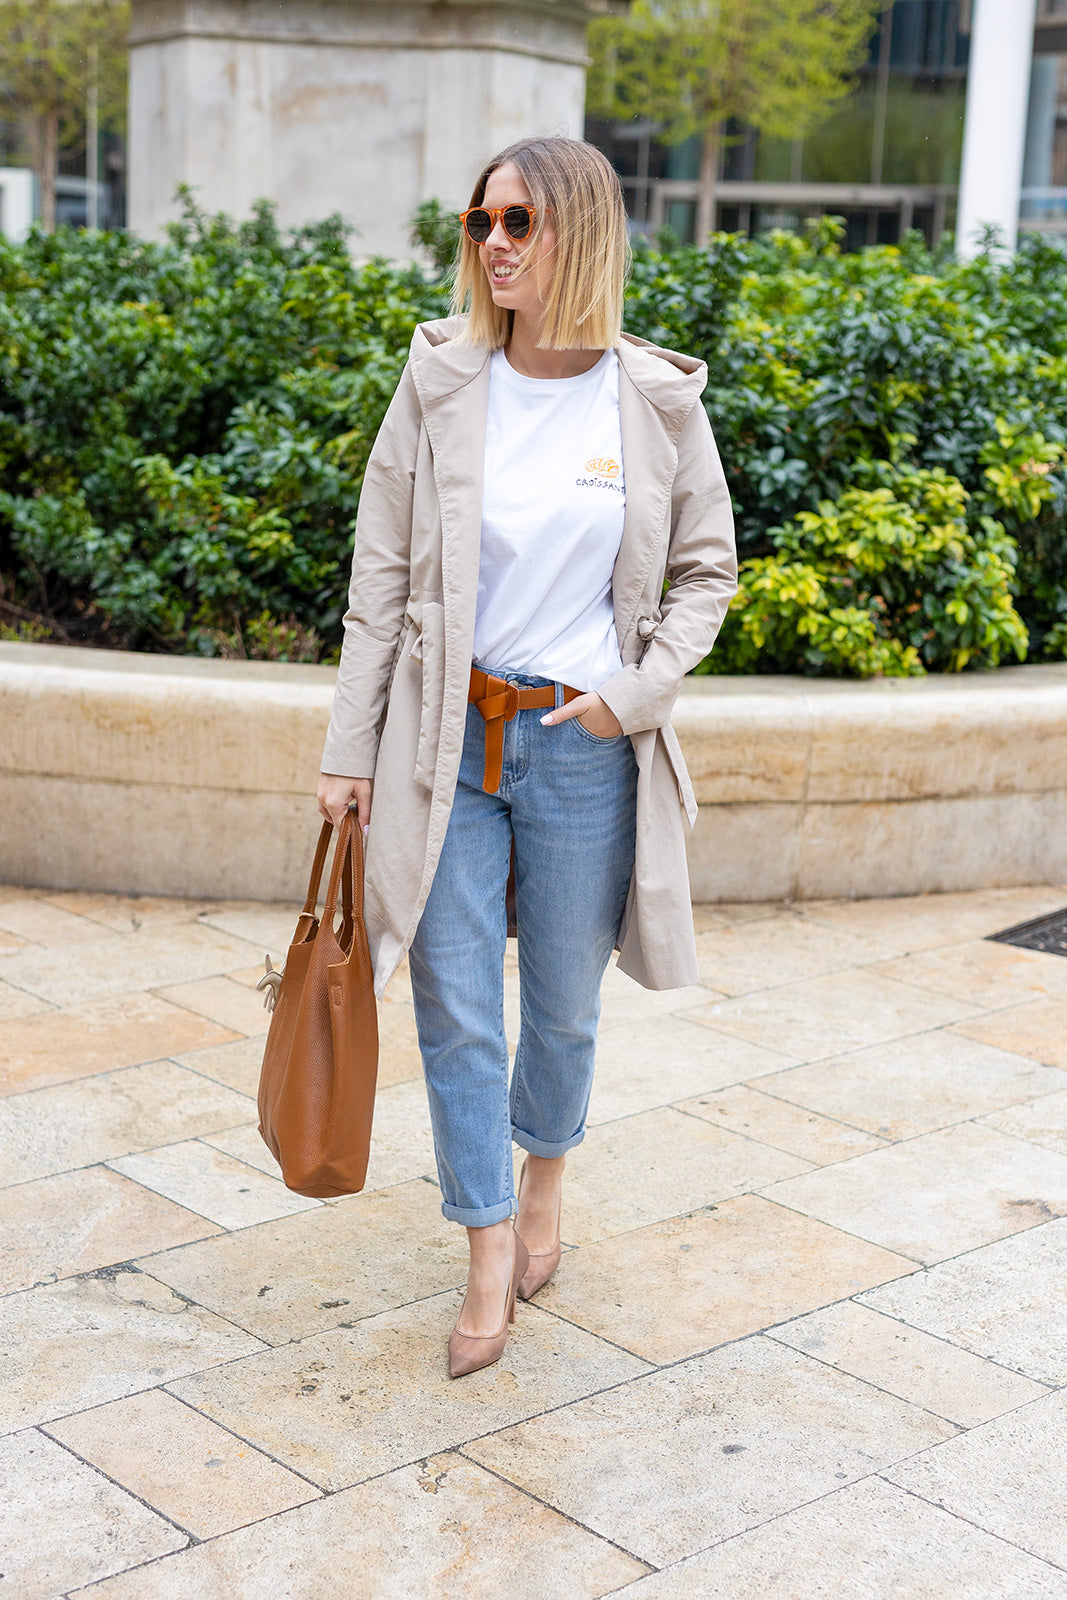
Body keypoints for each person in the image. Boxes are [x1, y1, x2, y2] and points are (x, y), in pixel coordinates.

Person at [318, 135, 736, 1377]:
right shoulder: (440, 380)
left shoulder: (653, 400)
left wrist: (629, 697)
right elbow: (378, 578)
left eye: (518, 222)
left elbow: (705, 572)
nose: (492, 244)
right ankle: (485, 1243)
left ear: (579, 234)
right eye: (479, 222)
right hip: (445, 741)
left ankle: (543, 1185)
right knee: (453, 1006)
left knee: (559, 1006)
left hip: (576, 744)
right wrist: (348, 749)